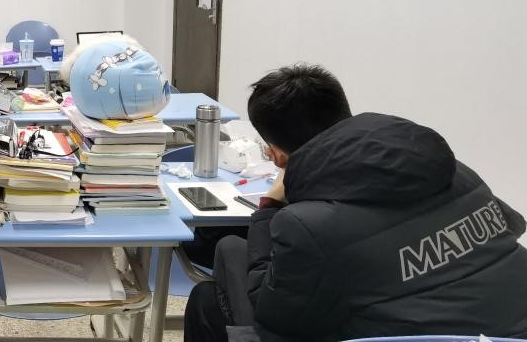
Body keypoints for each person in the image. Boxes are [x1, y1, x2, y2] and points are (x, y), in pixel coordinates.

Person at [186, 64, 527, 342]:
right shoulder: (454, 171)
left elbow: (274, 318)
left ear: (277, 156)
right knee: (230, 254)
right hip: (510, 329)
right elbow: (513, 226)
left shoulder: (309, 225)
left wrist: (270, 207)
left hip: (395, 332)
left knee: (209, 297)